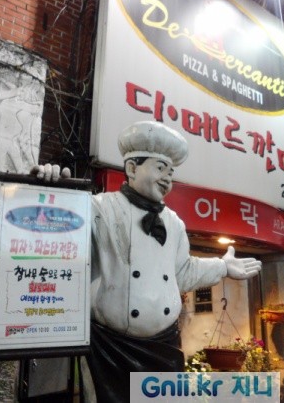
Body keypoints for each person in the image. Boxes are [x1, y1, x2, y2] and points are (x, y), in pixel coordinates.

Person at [32, 121, 261, 402]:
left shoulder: (174, 222)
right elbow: (57, 238)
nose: (167, 179)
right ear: (132, 168)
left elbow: (183, 272)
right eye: (160, 168)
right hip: (111, 347)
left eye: (171, 172)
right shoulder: (99, 207)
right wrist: (52, 191)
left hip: (164, 345)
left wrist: (222, 266)